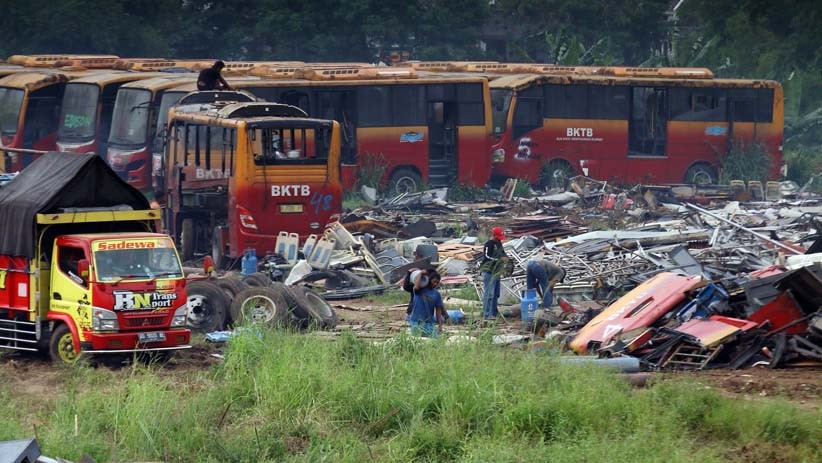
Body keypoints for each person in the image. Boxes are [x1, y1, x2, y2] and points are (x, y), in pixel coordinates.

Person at [479, 227, 506, 319]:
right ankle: (487, 314)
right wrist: (498, 260)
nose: (499, 239)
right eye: (498, 237)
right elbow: (487, 256)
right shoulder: (488, 244)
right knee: (489, 293)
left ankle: (494, 312)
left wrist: (506, 259)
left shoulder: (499, 243)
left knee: (496, 294)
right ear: (494, 235)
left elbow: (503, 253)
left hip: (497, 271)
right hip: (489, 271)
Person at [408, 269, 444, 338]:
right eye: (434, 281)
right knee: (417, 342)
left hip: (429, 324)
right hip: (416, 322)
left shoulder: (437, 294)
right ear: (429, 280)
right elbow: (416, 286)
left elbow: (438, 311)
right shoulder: (420, 290)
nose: (435, 284)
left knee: (435, 342)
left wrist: (440, 325)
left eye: (437, 282)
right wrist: (420, 273)